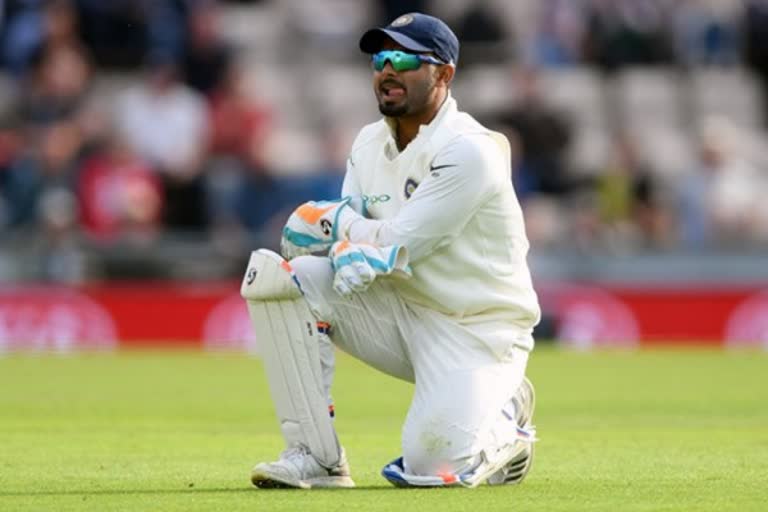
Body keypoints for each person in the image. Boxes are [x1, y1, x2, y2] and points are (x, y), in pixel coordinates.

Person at [241, 13, 540, 489]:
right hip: (401, 310)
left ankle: (504, 413)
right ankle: (315, 457)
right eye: (380, 59)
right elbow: (347, 246)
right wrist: (342, 242)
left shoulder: (471, 151)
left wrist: (335, 222)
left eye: (404, 59)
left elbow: (399, 242)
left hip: (478, 329)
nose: (387, 70)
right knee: (285, 277)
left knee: (431, 468)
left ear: (444, 74)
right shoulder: (367, 142)